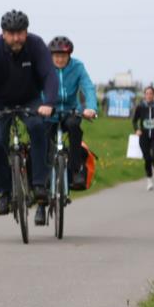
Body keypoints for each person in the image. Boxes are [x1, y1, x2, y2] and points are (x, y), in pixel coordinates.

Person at [0, 10, 57, 225]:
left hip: (30, 99)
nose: (17, 38)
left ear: (26, 32)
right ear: (3, 34)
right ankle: (5, 193)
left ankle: (38, 184)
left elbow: (49, 76)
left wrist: (48, 103)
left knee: (38, 128)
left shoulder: (36, 46)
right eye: (12, 33)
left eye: (20, 33)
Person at [37, 36, 97, 225]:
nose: (60, 59)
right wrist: (39, 106)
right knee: (42, 146)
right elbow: (36, 88)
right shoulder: (44, 67)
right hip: (49, 113)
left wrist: (91, 107)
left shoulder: (77, 67)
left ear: (69, 54)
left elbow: (88, 87)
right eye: (56, 55)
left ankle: (76, 171)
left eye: (63, 55)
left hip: (71, 110)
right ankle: (40, 203)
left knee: (74, 127)